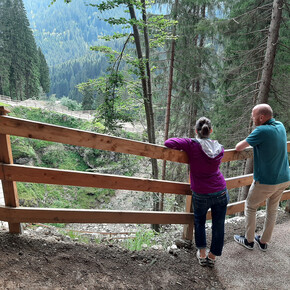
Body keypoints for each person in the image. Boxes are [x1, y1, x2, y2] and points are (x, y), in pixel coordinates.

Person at [164, 117, 229, 267]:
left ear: (196, 131)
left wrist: (189, 141)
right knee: (219, 225)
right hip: (220, 191)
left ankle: (202, 254)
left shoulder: (191, 144)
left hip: (201, 193)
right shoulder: (219, 147)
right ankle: (212, 257)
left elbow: (168, 143)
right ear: (210, 131)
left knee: (200, 222)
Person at [234, 104, 290, 251]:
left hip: (266, 181)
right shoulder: (281, 126)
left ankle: (249, 240)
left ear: (261, 117)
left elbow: (239, 147)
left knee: (250, 206)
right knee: (272, 210)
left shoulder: (261, 130)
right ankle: (264, 242)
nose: (252, 119)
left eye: (253, 116)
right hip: (284, 178)